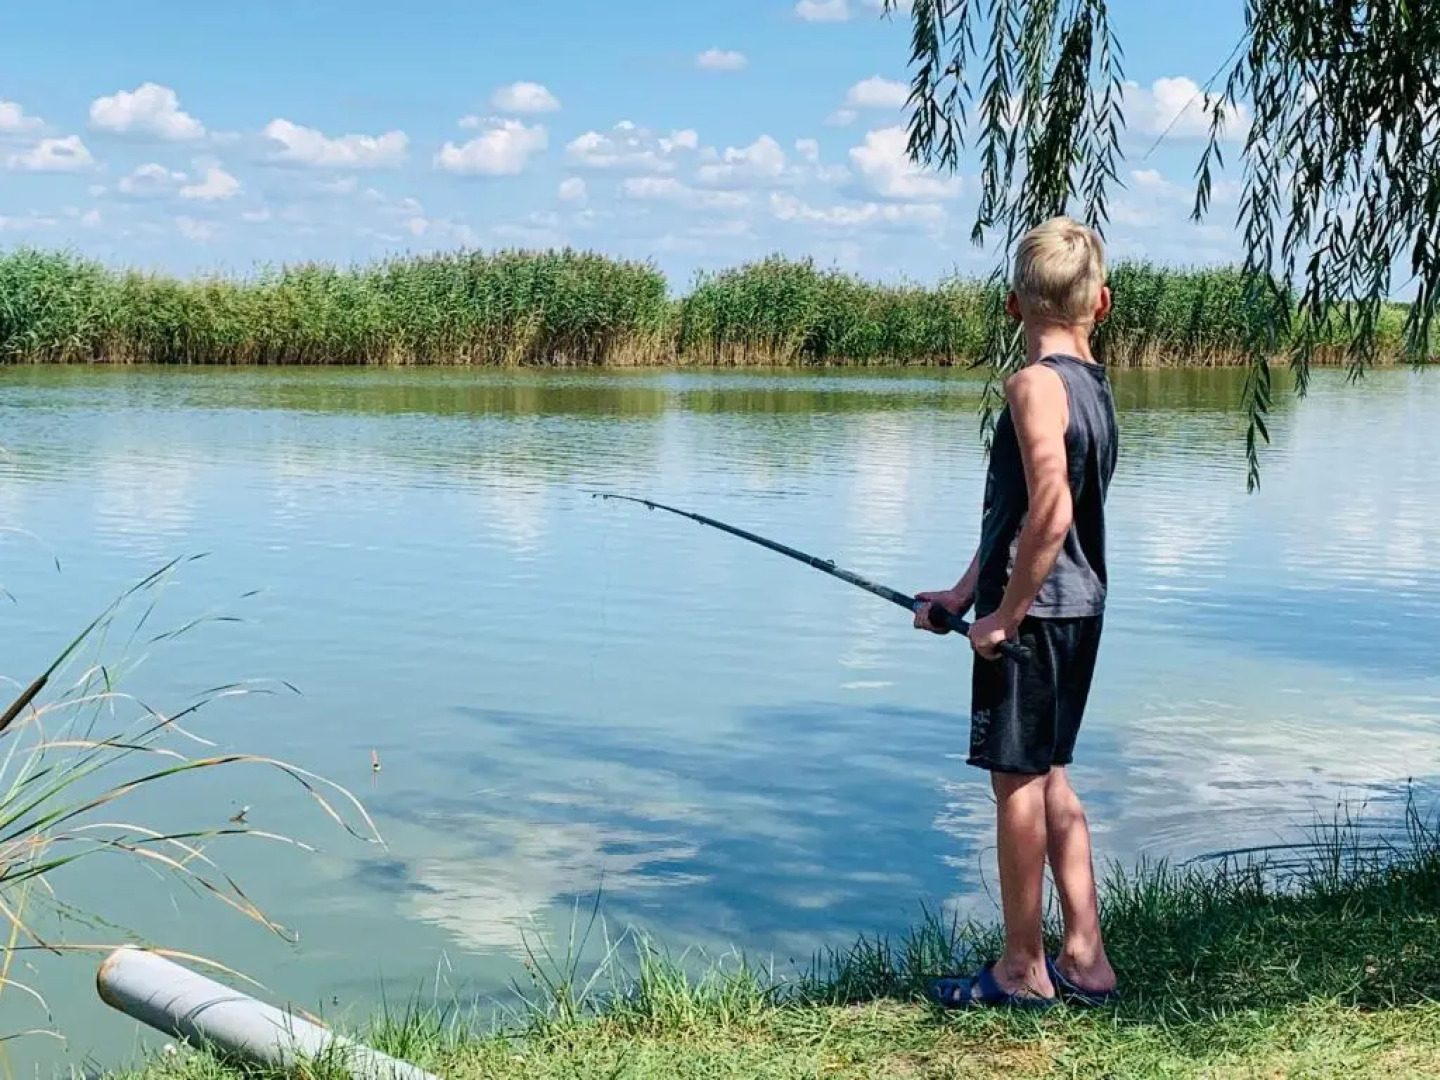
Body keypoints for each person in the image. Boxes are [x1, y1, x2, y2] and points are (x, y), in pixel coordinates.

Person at [914, 215, 1120, 1010]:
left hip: (1037, 619)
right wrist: (967, 593)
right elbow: (1014, 512)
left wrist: (1003, 617)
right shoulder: (1094, 386)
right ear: (1100, 304)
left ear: (1011, 306)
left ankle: (1022, 968)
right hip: (1078, 610)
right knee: (1050, 774)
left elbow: (1053, 513)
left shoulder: (1034, 384)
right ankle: (1086, 959)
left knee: (1016, 787)